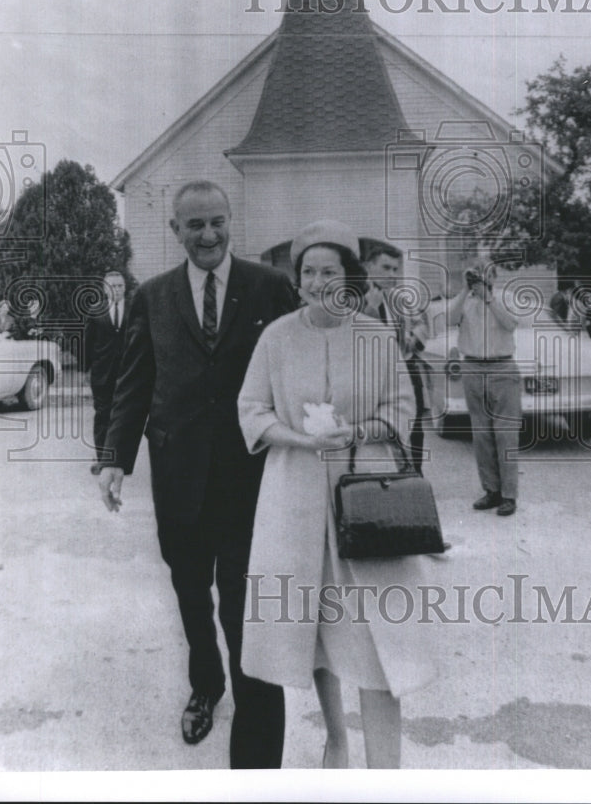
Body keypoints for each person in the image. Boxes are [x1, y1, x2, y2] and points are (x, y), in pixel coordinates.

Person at [96, 180, 295, 768]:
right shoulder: (153, 297)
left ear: (231, 220)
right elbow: (135, 384)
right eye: (195, 225)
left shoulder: (270, 286)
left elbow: (297, 370)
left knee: (241, 605)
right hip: (179, 482)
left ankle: (254, 750)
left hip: (249, 484)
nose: (208, 235)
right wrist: (114, 458)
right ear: (175, 231)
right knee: (190, 594)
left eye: (217, 222)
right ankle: (206, 686)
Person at [238, 220, 442, 769]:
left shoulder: (375, 336)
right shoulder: (276, 336)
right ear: (297, 278)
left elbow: (403, 410)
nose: (318, 280)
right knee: (316, 629)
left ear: (349, 277)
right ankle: (335, 740)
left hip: (365, 495)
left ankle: (386, 771)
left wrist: (354, 432)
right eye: (309, 270)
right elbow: (252, 411)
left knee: (380, 636)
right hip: (295, 496)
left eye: (330, 270)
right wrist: (301, 439)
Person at [448, 260, 521, 517]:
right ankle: (491, 490)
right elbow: (449, 318)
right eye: (476, 274)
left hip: (502, 368)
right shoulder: (465, 300)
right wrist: (464, 290)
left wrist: (488, 297)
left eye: (485, 274)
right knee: (481, 434)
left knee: (506, 433)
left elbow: (511, 324)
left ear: (494, 276)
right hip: (473, 367)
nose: (481, 278)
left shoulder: (504, 298)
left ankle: (509, 495)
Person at [364, 245, 429, 474]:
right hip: (374, 374)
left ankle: (415, 473)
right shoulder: (356, 298)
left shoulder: (399, 298)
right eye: (386, 268)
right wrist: (371, 308)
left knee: (415, 422)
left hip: (405, 366)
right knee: (382, 422)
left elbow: (422, 322)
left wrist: (413, 339)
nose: (392, 274)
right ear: (369, 267)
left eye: (395, 269)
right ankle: (390, 472)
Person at [84, 271, 129, 475]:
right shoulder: (95, 310)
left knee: (124, 416)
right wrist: (84, 369)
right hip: (102, 374)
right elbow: (88, 343)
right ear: (105, 288)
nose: (117, 289)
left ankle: (119, 459)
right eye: (112, 286)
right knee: (103, 415)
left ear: (125, 287)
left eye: (120, 286)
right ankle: (102, 458)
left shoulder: (134, 309)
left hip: (128, 374)